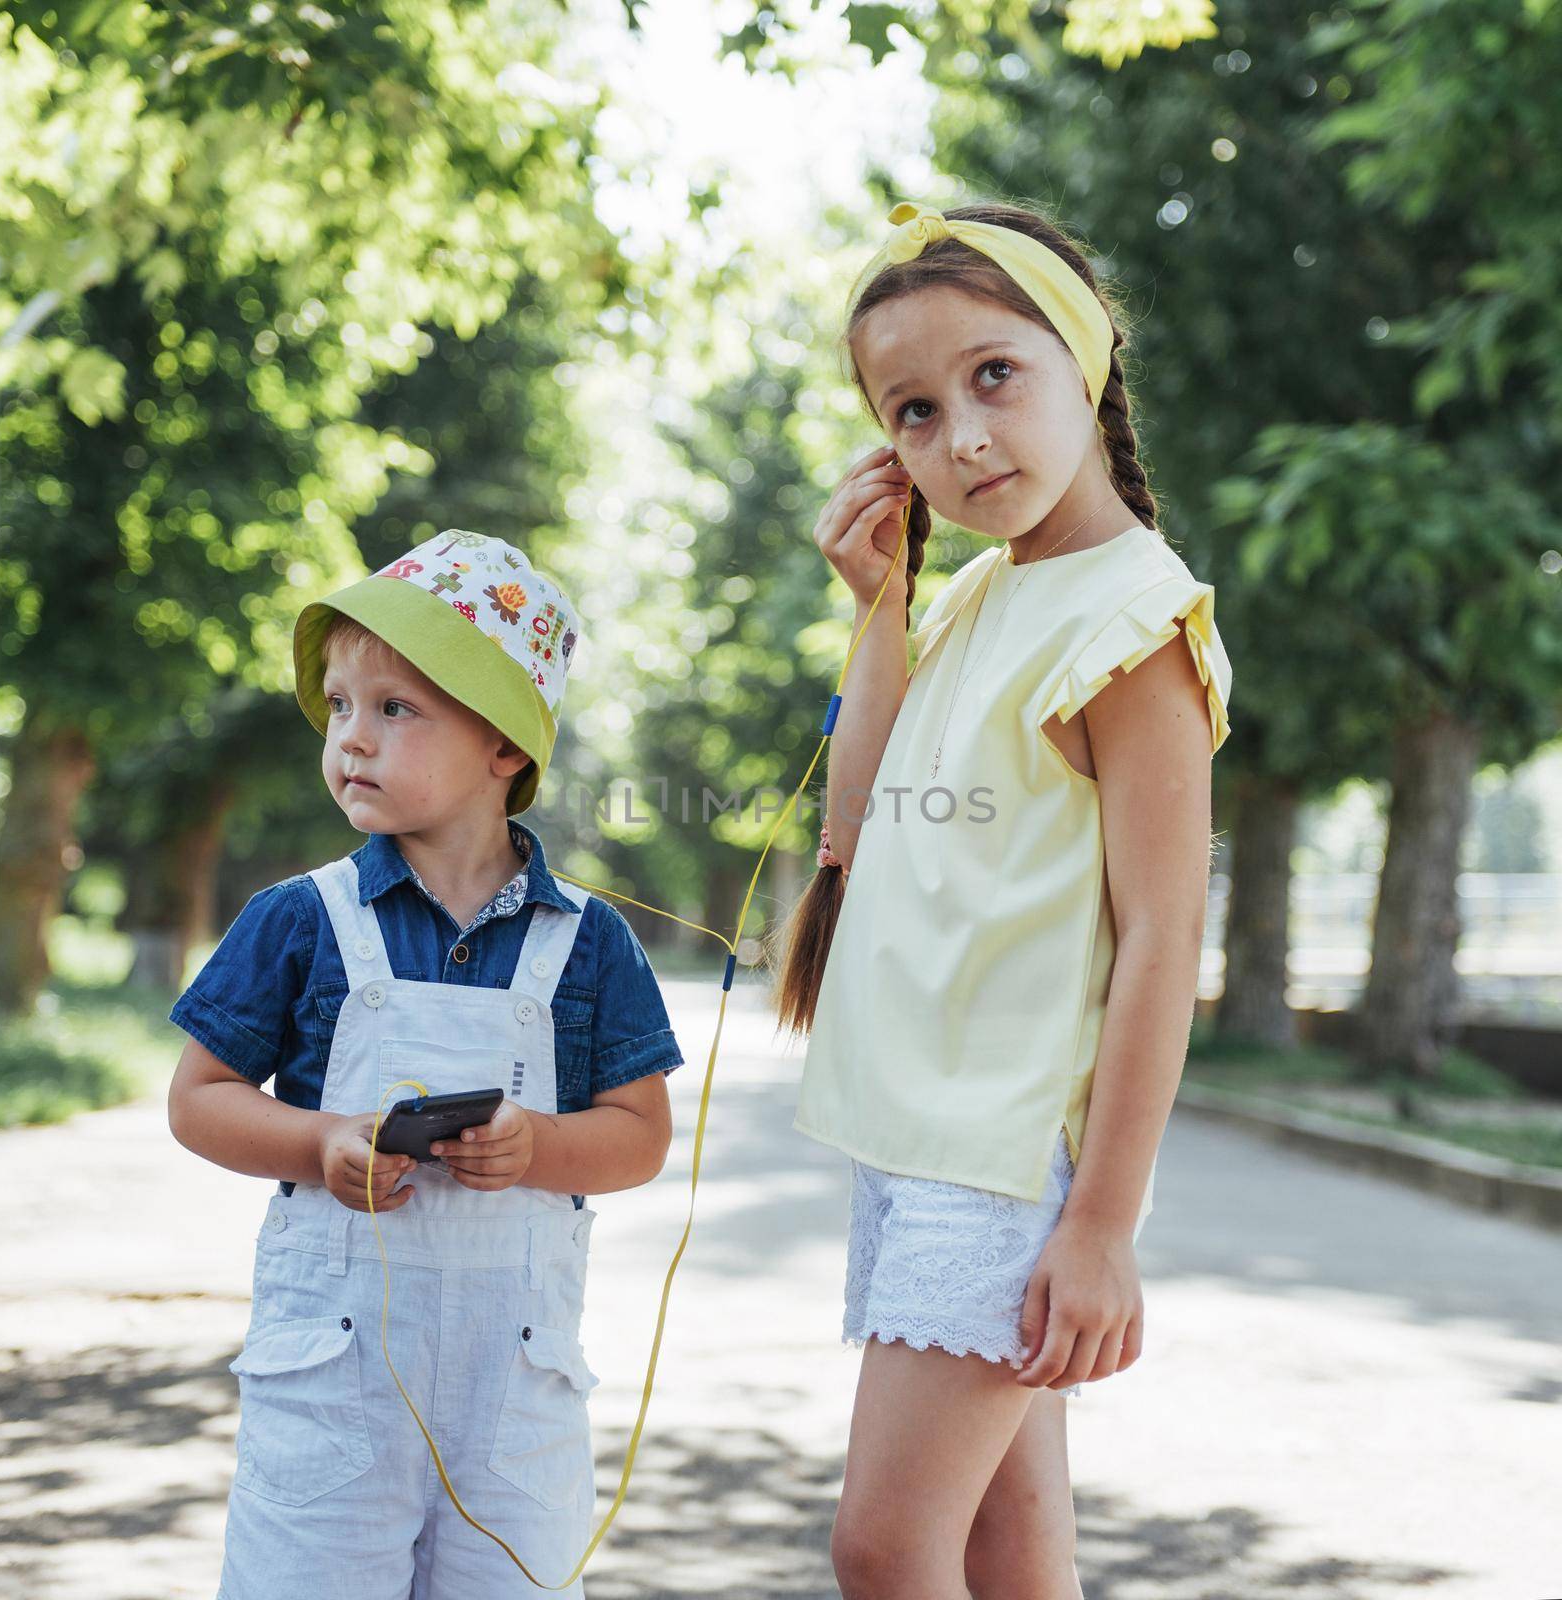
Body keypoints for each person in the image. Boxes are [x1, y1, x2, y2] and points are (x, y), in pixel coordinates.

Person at [769, 199, 1234, 1600]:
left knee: (884, 1547)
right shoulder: (972, 601)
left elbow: (1164, 936)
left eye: (994, 376)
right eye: (911, 410)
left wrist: (1101, 1224)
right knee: (1007, 1550)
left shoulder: (1134, 624)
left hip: (1006, 1160)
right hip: (920, 1143)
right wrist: (879, 607)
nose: (961, 437)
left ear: (1081, 361)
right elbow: (856, 829)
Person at [166, 530, 684, 1600]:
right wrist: (318, 1140)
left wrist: (538, 1144)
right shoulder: (299, 920)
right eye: (342, 704)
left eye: (395, 708)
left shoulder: (591, 944)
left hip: (513, 1411)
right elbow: (199, 1100)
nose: (351, 737)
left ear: (504, 745)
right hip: (330, 1400)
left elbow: (639, 1135)